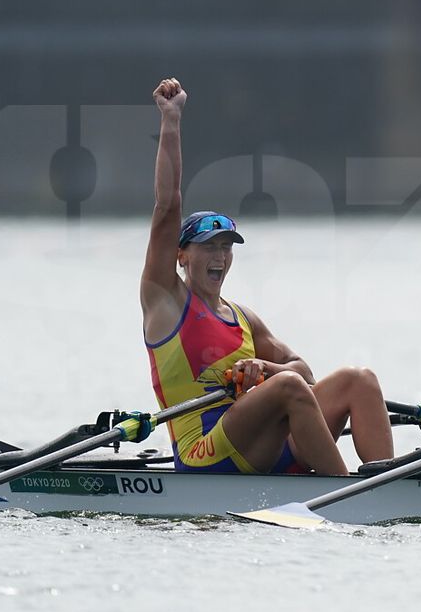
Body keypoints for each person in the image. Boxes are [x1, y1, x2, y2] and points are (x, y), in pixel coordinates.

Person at [141, 77, 394, 475]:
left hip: (260, 445)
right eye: (209, 246)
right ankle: (347, 492)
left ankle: (387, 486)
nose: (220, 256)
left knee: (358, 380)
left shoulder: (242, 317)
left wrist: (264, 369)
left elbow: (302, 370)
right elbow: (166, 206)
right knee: (289, 389)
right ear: (181, 256)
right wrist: (170, 121)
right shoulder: (165, 302)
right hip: (205, 454)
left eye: (226, 247)